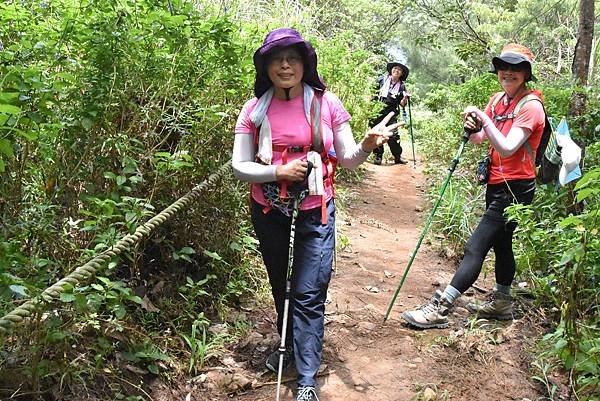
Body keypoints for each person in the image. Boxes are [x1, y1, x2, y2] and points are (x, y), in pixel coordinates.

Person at [232, 28, 399, 400]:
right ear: (267, 66)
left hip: (315, 210)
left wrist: (368, 145)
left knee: (308, 291)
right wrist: (278, 172)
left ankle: (306, 378)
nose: (286, 65)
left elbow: (349, 159)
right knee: (282, 285)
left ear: (306, 64)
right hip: (269, 209)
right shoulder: (254, 109)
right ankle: (288, 345)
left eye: (293, 58)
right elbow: (239, 166)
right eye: (278, 59)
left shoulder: (327, 104)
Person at [401, 43, 546, 329]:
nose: (508, 73)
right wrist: (474, 126)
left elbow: (506, 147)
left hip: (516, 188)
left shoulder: (531, 107)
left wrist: (485, 120)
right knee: (503, 245)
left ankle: (441, 307)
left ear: (526, 74)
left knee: (475, 246)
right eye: (503, 67)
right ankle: (502, 303)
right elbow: (483, 139)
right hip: (495, 182)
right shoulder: (498, 100)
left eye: (516, 69)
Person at [371, 61, 410, 165]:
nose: (396, 71)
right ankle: (378, 156)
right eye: (395, 68)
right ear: (391, 70)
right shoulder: (381, 80)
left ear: (402, 73)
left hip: (391, 113)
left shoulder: (402, 86)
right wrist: (371, 109)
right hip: (377, 111)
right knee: (377, 134)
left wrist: (405, 98)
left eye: (399, 70)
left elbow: (402, 104)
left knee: (393, 136)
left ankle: (397, 157)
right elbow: (372, 94)